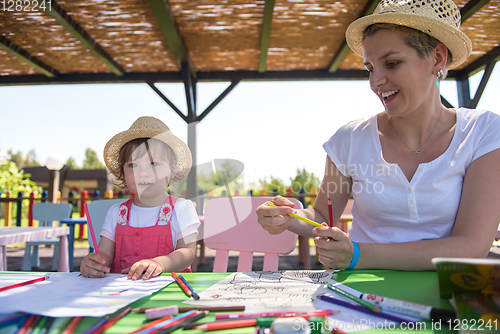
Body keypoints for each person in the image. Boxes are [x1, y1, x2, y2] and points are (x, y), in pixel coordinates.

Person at [256, 0, 500, 271]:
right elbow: (322, 215)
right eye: (370, 68)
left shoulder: (483, 133)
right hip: (357, 296)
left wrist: (357, 255)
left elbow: (470, 246)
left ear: (438, 58)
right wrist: (288, 217)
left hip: (448, 296)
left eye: (392, 63)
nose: (375, 82)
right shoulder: (348, 140)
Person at [80, 116, 200, 280]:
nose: (142, 172)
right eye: (133, 165)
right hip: (119, 296)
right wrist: (93, 263)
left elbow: (187, 252)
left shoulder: (182, 208)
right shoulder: (116, 213)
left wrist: (160, 263)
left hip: (168, 293)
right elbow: (104, 253)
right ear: (123, 172)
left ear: (172, 169)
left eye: (153, 163)